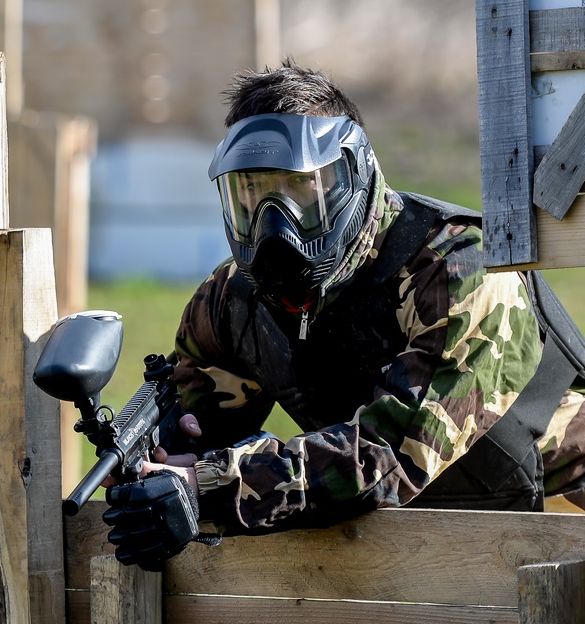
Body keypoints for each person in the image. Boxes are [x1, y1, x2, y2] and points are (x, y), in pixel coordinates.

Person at [102, 61, 585, 570]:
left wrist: (209, 484)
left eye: (297, 192)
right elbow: (195, 435)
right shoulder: (232, 302)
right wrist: (151, 477)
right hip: (410, 564)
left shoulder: (459, 271)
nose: (273, 227)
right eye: (252, 196)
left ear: (349, 177)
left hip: (559, 529)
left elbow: (389, 456)